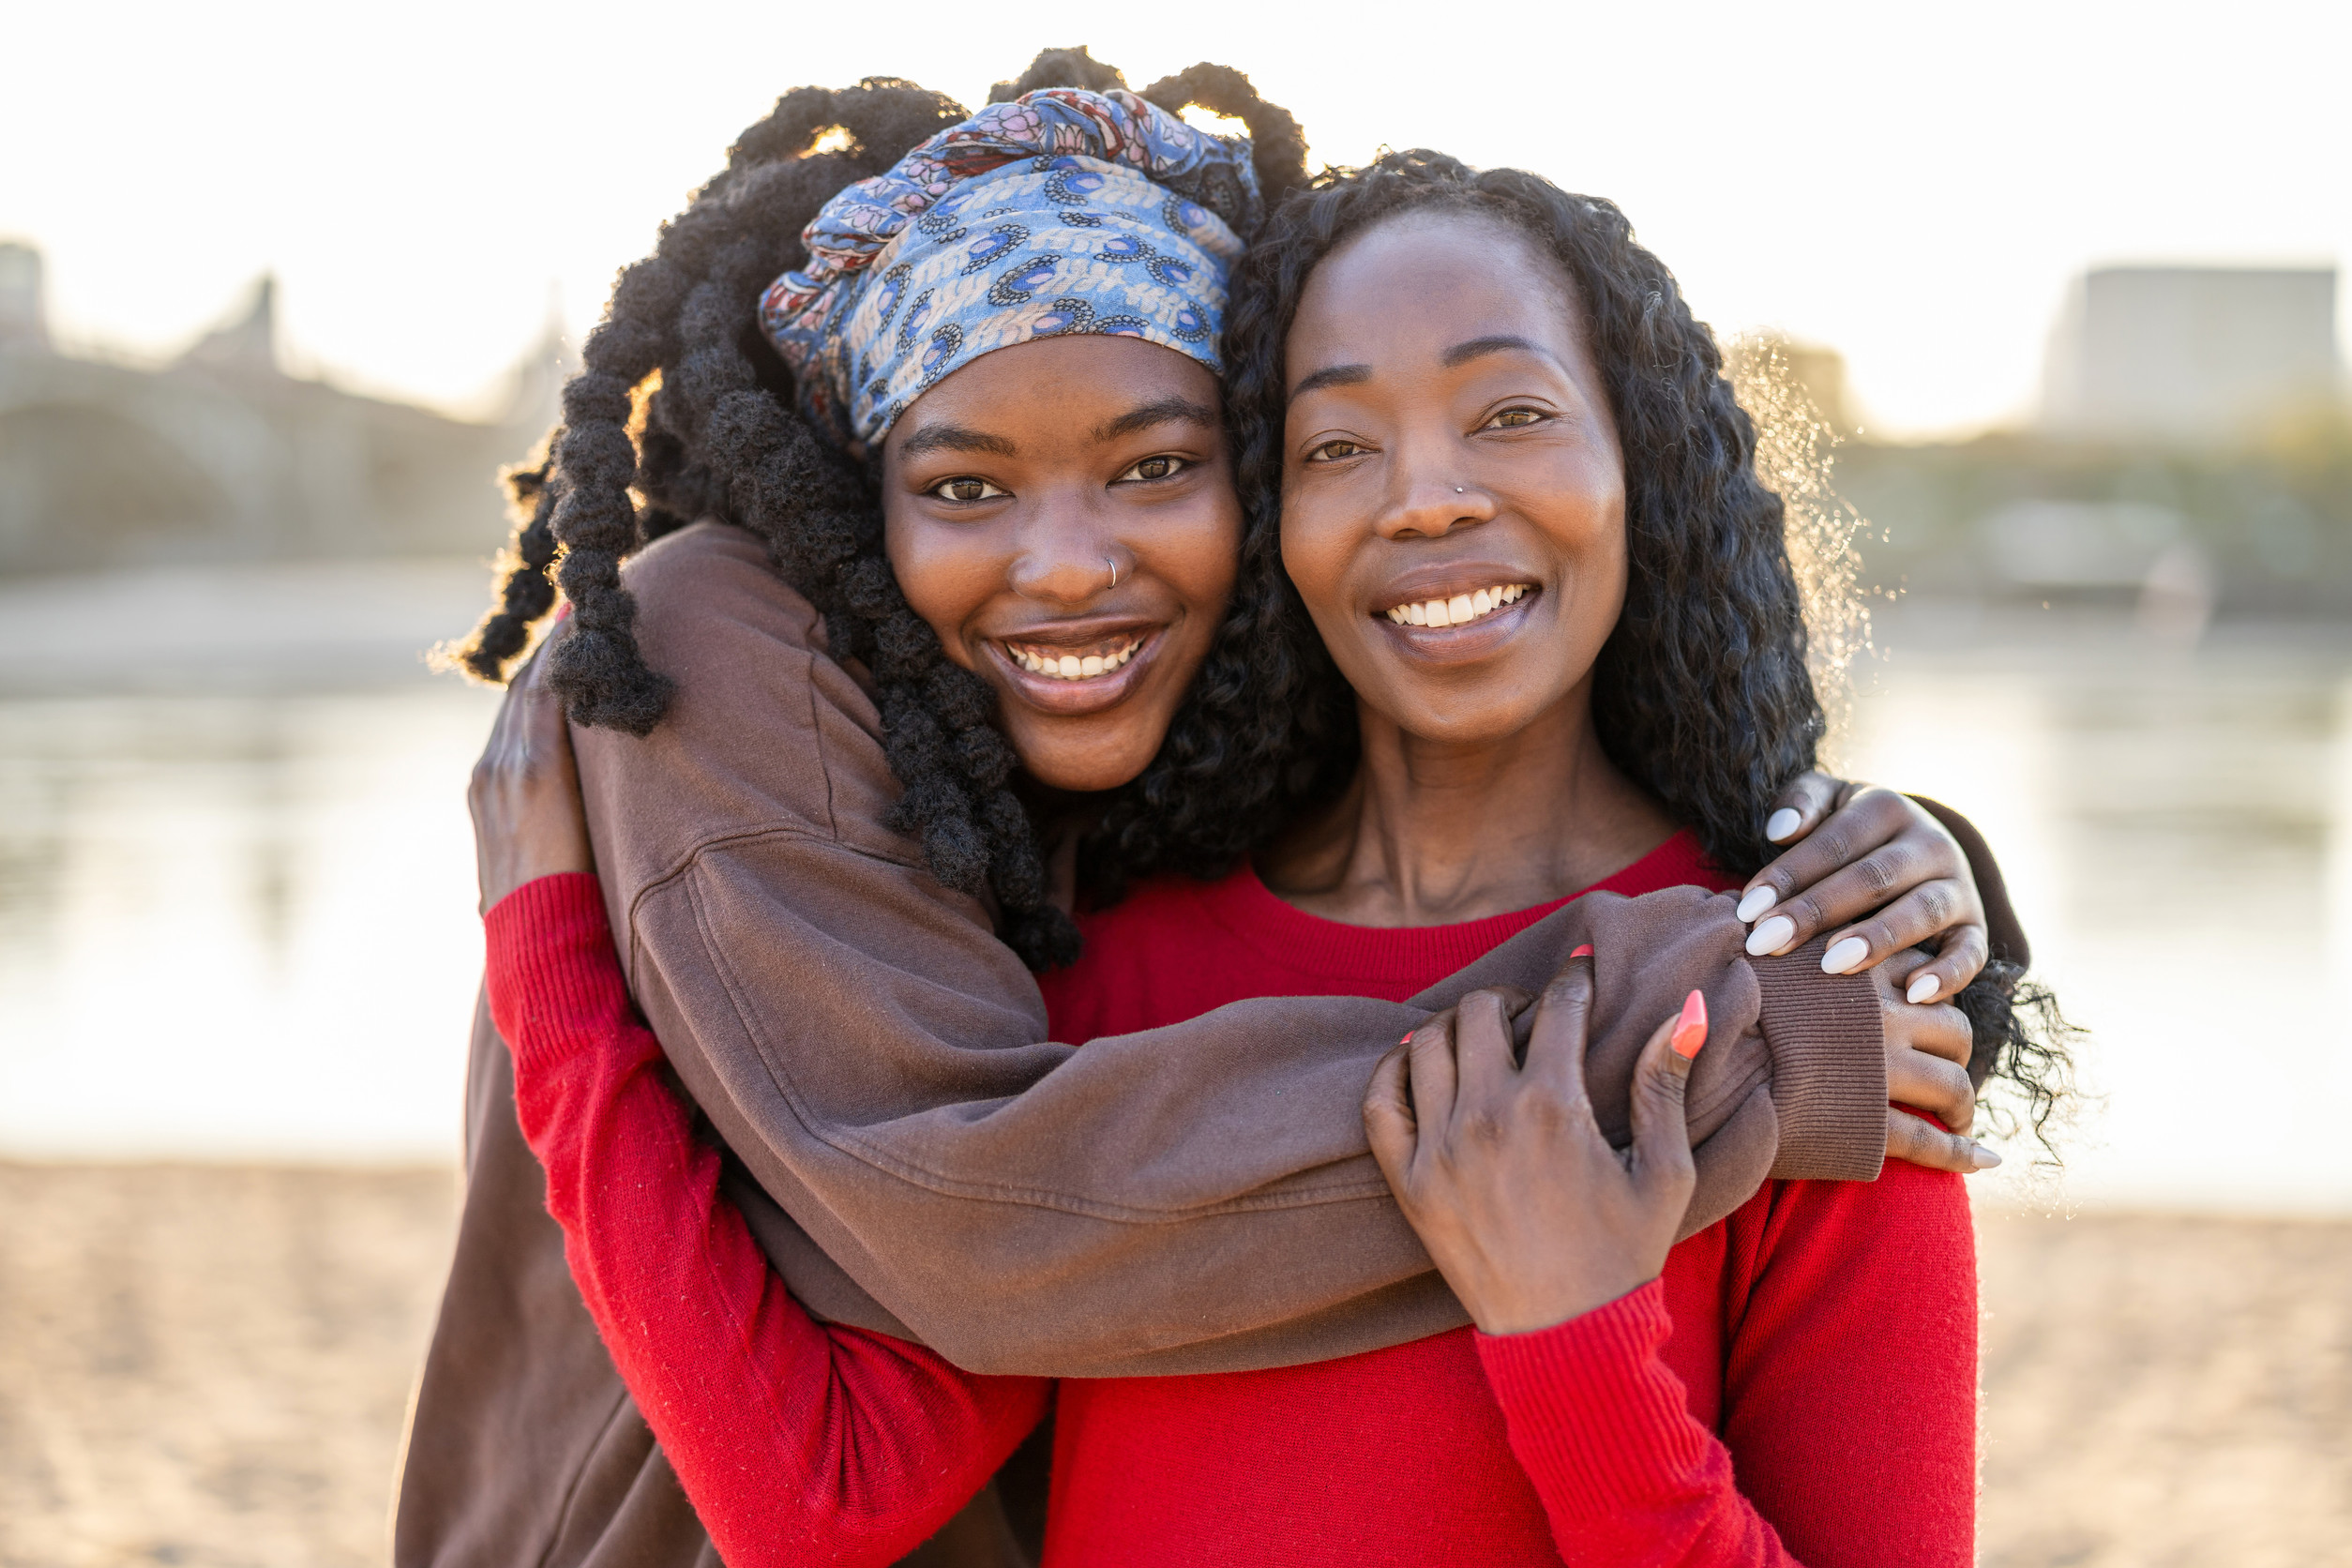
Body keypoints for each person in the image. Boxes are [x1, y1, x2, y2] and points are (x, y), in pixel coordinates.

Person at [399, 57, 2039, 1568]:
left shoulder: (1837, 982)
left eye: (1515, 413)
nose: (1431, 492)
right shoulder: (1099, 981)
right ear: (1287, 503)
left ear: (1648, 463)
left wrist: (1578, 1350)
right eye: (1340, 441)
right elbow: (842, 1456)